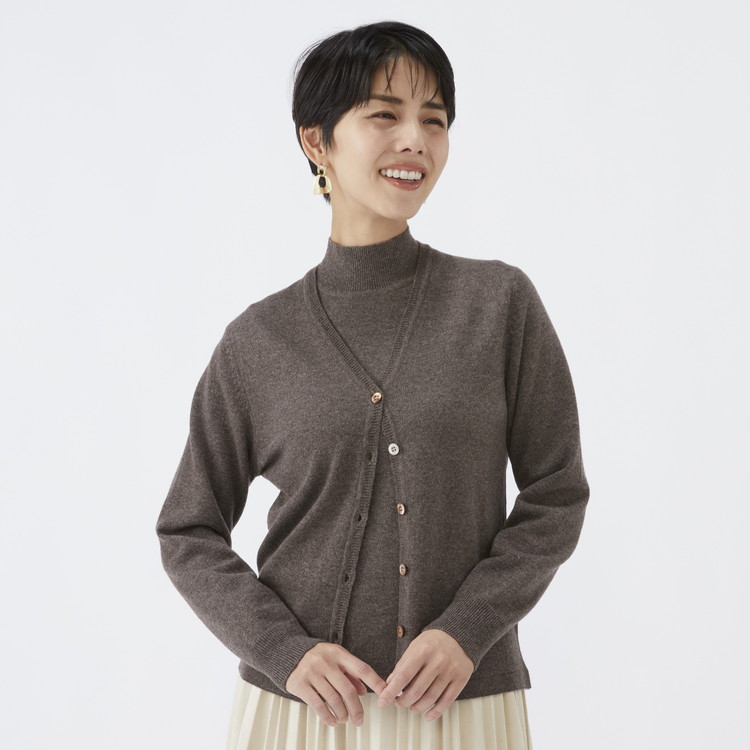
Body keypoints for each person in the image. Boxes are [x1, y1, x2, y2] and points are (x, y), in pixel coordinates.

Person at [155, 20, 590, 750]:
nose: (415, 140)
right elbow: (187, 531)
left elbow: (557, 494)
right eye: (384, 114)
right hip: (301, 714)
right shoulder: (259, 341)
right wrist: (283, 652)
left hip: (463, 706)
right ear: (317, 142)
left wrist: (467, 630)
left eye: (434, 120)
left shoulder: (498, 305)